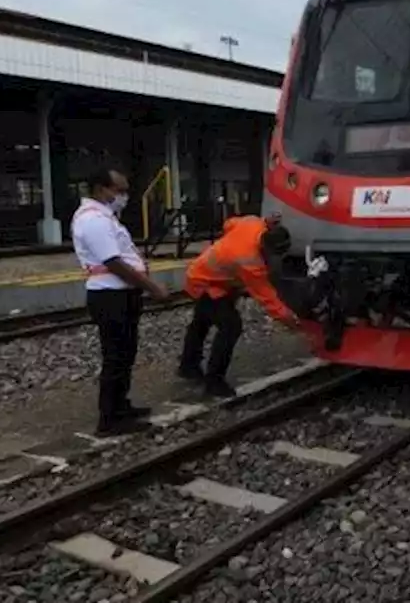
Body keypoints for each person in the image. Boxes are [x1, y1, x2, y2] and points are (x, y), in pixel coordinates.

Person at [71, 166, 170, 436]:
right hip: (110, 296)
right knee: (115, 358)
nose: (125, 196)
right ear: (102, 189)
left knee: (125, 355)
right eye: (120, 191)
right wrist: (152, 287)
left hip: (121, 294)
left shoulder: (106, 217)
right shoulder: (94, 220)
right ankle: (109, 420)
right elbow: (113, 263)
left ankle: (121, 406)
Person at [177, 212, 302, 397]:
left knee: (201, 322)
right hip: (206, 283)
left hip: (203, 272)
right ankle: (214, 382)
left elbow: (228, 224)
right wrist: (293, 322)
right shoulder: (250, 262)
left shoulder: (253, 222)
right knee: (231, 326)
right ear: (266, 249)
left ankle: (188, 366)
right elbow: (268, 300)